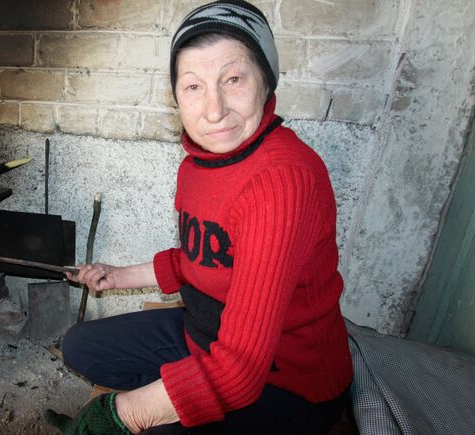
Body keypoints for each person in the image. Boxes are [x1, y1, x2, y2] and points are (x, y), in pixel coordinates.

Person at [45, 1, 354, 434]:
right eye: (193, 86)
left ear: (266, 81)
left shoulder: (282, 182)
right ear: (176, 97)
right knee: (81, 346)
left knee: (151, 425)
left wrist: (123, 414)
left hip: (286, 381)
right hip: (204, 336)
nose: (214, 110)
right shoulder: (199, 163)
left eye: (233, 79)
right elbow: (199, 257)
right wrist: (115, 276)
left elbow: (241, 371)